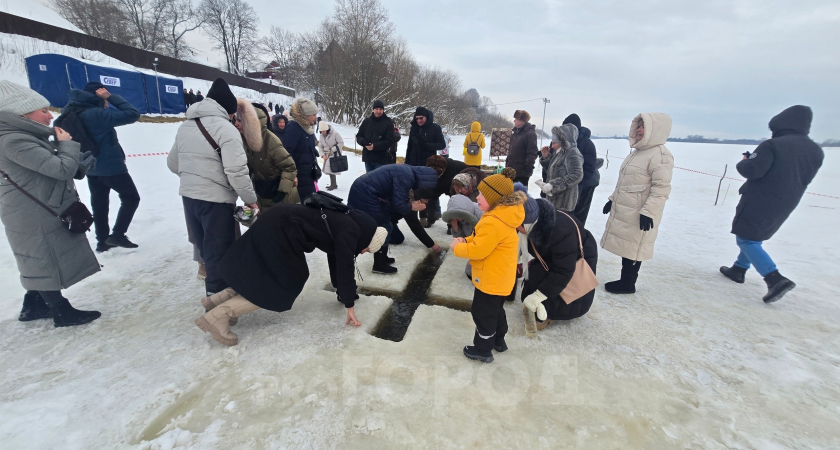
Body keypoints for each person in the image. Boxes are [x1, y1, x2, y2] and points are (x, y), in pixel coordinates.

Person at [194, 203, 388, 346]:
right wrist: (350, 306)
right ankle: (220, 314)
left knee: (266, 273)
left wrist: (343, 292)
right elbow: (345, 267)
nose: (363, 252)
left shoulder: (352, 220)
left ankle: (220, 299)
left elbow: (336, 259)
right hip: (279, 232)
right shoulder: (351, 232)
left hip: (277, 220)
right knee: (280, 284)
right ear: (369, 240)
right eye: (367, 250)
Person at [0, 80, 101, 327]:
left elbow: (47, 168)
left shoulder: (22, 136)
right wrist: (66, 146)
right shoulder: (14, 140)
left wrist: (77, 164)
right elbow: (59, 169)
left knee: (39, 257)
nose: (50, 115)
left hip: (34, 206)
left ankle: (33, 305)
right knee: (43, 259)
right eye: (43, 110)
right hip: (31, 212)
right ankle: (62, 312)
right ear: (22, 113)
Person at [719, 105, 824, 303]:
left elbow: (752, 171)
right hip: (788, 201)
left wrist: (744, 161)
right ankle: (739, 269)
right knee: (754, 236)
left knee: (746, 238)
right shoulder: (816, 150)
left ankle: (774, 278)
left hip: (760, 199)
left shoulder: (772, 145)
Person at [167, 78, 258, 297]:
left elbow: (172, 164)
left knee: (207, 252)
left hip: (189, 199)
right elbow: (236, 171)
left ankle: (216, 297)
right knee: (220, 253)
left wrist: (195, 178)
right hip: (216, 202)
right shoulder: (226, 130)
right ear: (228, 109)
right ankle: (218, 307)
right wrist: (249, 198)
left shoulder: (186, 126)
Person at [452, 168, 524, 363]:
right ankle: (499, 340)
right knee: (496, 310)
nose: (477, 197)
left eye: (482, 195)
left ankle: (483, 349)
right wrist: (466, 241)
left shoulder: (493, 222)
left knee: (482, 313)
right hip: (501, 278)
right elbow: (480, 240)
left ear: (495, 199)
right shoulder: (501, 216)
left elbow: (479, 250)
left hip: (490, 279)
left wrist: (458, 248)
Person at [60, 81, 141, 252]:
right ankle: (118, 234)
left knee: (99, 202)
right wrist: (110, 97)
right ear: (99, 94)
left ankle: (102, 241)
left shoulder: (71, 110)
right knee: (131, 197)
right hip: (110, 165)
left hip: (90, 165)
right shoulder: (96, 114)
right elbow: (132, 114)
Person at [601, 113, 674, 294]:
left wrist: (648, 212)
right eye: (638, 126)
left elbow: (661, 189)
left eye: (644, 127)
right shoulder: (638, 153)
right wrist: (612, 199)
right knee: (629, 245)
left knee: (636, 245)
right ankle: (625, 280)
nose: (639, 130)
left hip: (640, 211)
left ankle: (628, 283)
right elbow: (627, 182)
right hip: (628, 208)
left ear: (655, 130)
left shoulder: (661, 156)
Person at [521, 196, 599, 330]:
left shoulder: (560, 231)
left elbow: (563, 271)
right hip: (553, 255)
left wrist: (540, 294)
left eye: (518, 226)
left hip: (577, 257)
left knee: (561, 286)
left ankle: (550, 314)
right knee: (538, 273)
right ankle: (541, 304)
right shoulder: (532, 224)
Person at [348, 164, 439, 274]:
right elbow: (398, 205)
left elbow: (393, 202)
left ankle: (383, 257)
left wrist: (409, 205)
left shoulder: (407, 172)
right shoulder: (407, 178)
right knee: (385, 226)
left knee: (388, 225)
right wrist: (411, 206)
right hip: (366, 193)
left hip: (364, 189)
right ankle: (379, 264)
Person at [234, 100, 299, 209]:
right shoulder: (245, 140)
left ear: (250, 123)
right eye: (235, 120)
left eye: (240, 121)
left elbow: (290, 167)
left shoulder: (271, 141)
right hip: (263, 196)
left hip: (282, 199)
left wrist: (282, 192)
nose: (236, 124)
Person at [535, 124, 584, 212]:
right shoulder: (561, 152)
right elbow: (554, 170)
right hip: (554, 200)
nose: (552, 146)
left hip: (563, 203)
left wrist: (553, 185)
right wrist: (546, 157)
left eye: (554, 143)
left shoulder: (572, 153)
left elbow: (577, 175)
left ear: (563, 142)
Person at [564, 114, 602, 225]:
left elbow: (589, 168)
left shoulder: (587, 143)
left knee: (579, 213)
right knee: (567, 212)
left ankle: (578, 234)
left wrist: (576, 183)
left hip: (587, 183)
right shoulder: (566, 141)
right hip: (571, 182)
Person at [281, 97, 319, 201]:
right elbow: (287, 152)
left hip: (308, 175)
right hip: (299, 177)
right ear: (305, 115)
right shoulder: (293, 128)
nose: (315, 117)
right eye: (313, 115)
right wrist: (293, 175)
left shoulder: (307, 129)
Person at [422, 155, 467, 227]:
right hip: (437, 184)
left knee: (454, 202)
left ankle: (451, 225)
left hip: (453, 184)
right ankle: (430, 219)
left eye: (438, 173)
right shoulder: (429, 164)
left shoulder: (454, 165)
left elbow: (467, 170)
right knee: (431, 199)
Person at [356, 99, 399, 173]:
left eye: (380, 109)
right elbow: (359, 136)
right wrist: (363, 142)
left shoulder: (388, 123)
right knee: (369, 181)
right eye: (376, 109)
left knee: (379, 182)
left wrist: (374, 146)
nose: (378, 111)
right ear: (373, 109)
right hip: (368, 158)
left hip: (381, 159)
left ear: (383, 110)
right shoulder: (367, 121)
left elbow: (390, 141)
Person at [505, 109, 538, 185]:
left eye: (516, 119)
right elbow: (511, 150)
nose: (514, 121)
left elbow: (532, 152)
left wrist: (529, 165)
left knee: (520, 195)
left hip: (521, 172)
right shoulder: (515, 132)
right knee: (511, 194)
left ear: (522, 120)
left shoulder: (530, 134)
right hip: (511, 170)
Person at [318, 121, 344, 191]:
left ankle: (333, 184)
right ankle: (333, 184)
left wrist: (333, 149)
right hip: (326, 154)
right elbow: (320, 146)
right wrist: (322, 155)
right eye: (322, 131)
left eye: (324, 131)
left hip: (335, 154)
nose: (323, 132)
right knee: (329, 169)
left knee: (331, 169)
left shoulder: (335, 134)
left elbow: (341, 143)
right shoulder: (321, 136)